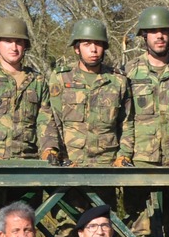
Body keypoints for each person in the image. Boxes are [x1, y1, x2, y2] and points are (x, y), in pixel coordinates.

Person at [0, 17, 61, 161]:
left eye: (19, 42)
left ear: (25, 45)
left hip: (29, 161)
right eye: (8, 41)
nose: (14, 47)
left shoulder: (37, 81)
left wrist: (49, 150)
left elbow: (45, 121)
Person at [119, 7, 169, 167]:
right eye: (154, 31)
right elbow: (121, 118)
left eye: (164, 31)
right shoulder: (128, 72)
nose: (160, 36)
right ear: (144, 35)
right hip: (139, 162)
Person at [51, 19, 131, 166]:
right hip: (71, 162)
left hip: (107, 163)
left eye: (98, 44)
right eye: (87, 44)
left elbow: (127, 123)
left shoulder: (118, 80)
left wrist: (124, 155)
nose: (93, 49)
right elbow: (53, 121)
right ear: (77, 48)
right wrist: (56, 153)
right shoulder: (61, 78)